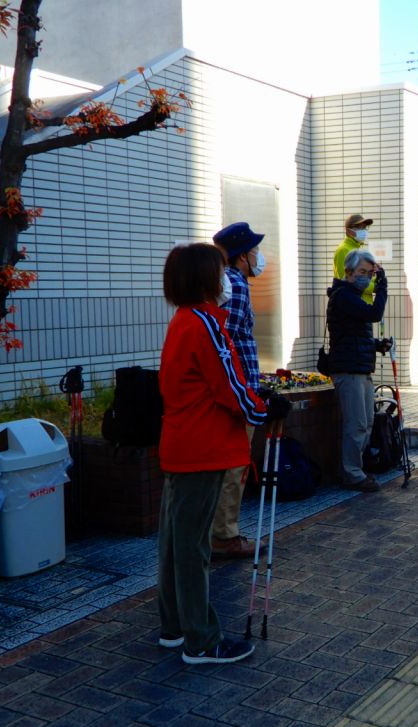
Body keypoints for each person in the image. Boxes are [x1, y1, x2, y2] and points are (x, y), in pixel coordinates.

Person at [157, 243, 290, 664]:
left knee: (177, 544)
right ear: (204, 279)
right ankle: (202, 640)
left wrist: (256, 398)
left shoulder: (182, 320)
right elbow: (228, 388)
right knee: (194, 548)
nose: (225, 281)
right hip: (204, 447)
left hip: (182, 444)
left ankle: (175, 628)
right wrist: (265, 407)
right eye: (219, 272)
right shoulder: (205, 324)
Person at [211, 222, 266, 559]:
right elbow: (226, 342)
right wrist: (247, 392)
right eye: (255, 250)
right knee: (236, 462)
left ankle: (220, 531)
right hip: (240, 388)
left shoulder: (227, 283)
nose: (259, 257)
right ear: (242, 256)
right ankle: (225, 536)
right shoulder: (236, 285)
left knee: (230, 461)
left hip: (236, 387)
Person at [326, 249, 389, 492]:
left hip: (359, 368)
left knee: (366, 423)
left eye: (370, 273)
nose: (367, 277)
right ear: (349, 272)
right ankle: (352, 473)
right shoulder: (344, 296)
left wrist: (375, 345)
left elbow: (351, 335)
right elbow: (375, 314)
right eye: (362, 272)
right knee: (357, 424)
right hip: (348, 370)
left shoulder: (353, 296)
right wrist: (382, 287)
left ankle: (356, 469)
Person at [334, 213, 376, 305]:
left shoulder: (356, 249)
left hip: (363, 307)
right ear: (348, 231)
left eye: (365, 227)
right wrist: (376, 287)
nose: (364, 231)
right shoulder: (343, 250)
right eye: (360, 228)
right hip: (353, 307)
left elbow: (365, 277)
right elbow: (348, 280)